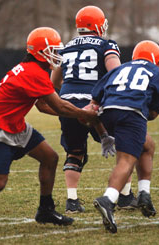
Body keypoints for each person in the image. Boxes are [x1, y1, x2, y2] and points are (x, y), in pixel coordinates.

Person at [0, 27, 100, 235]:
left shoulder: (32, 69)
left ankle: (45, 210)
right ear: (41, 51)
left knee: (50, 158)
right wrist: (87, 115)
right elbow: (58, 106)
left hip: (15, 124)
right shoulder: (34, 73)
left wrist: (75, 115)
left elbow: (43, 106)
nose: (57, 55)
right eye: (53, 50)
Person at [51, 5, 137, 213]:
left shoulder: (68, 46)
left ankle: (72, 201)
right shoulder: (106, 44)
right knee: (124, 148)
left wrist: (72, 96)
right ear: (97, 24)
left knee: (75, 151)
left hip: (68, 104)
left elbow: (54, 81)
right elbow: (115, 73)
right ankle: (125, 196)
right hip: (95, 104)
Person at [91, 40, 159, 233]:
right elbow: (153, 113)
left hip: (107, 113)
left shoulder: (120, 68)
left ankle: (144, 195)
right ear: (157, 59)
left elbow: (95, 100)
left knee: (147, 145)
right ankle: (108, 199)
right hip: (130, 113)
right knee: (126, 160)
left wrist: (102, 132)